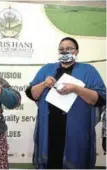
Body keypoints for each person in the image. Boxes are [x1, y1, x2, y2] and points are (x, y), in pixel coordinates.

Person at [25, 37, 106, 169]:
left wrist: (76, 89)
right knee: (51, 162)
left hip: (77, 129)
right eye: (61, 49)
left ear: (77, 51)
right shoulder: (47, 69)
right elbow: (32, 94)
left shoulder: (88, 70)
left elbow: (100, 98)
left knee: (76, 160)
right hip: (50, 128)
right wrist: (44, 84)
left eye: (69, 48)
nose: (65, 51)